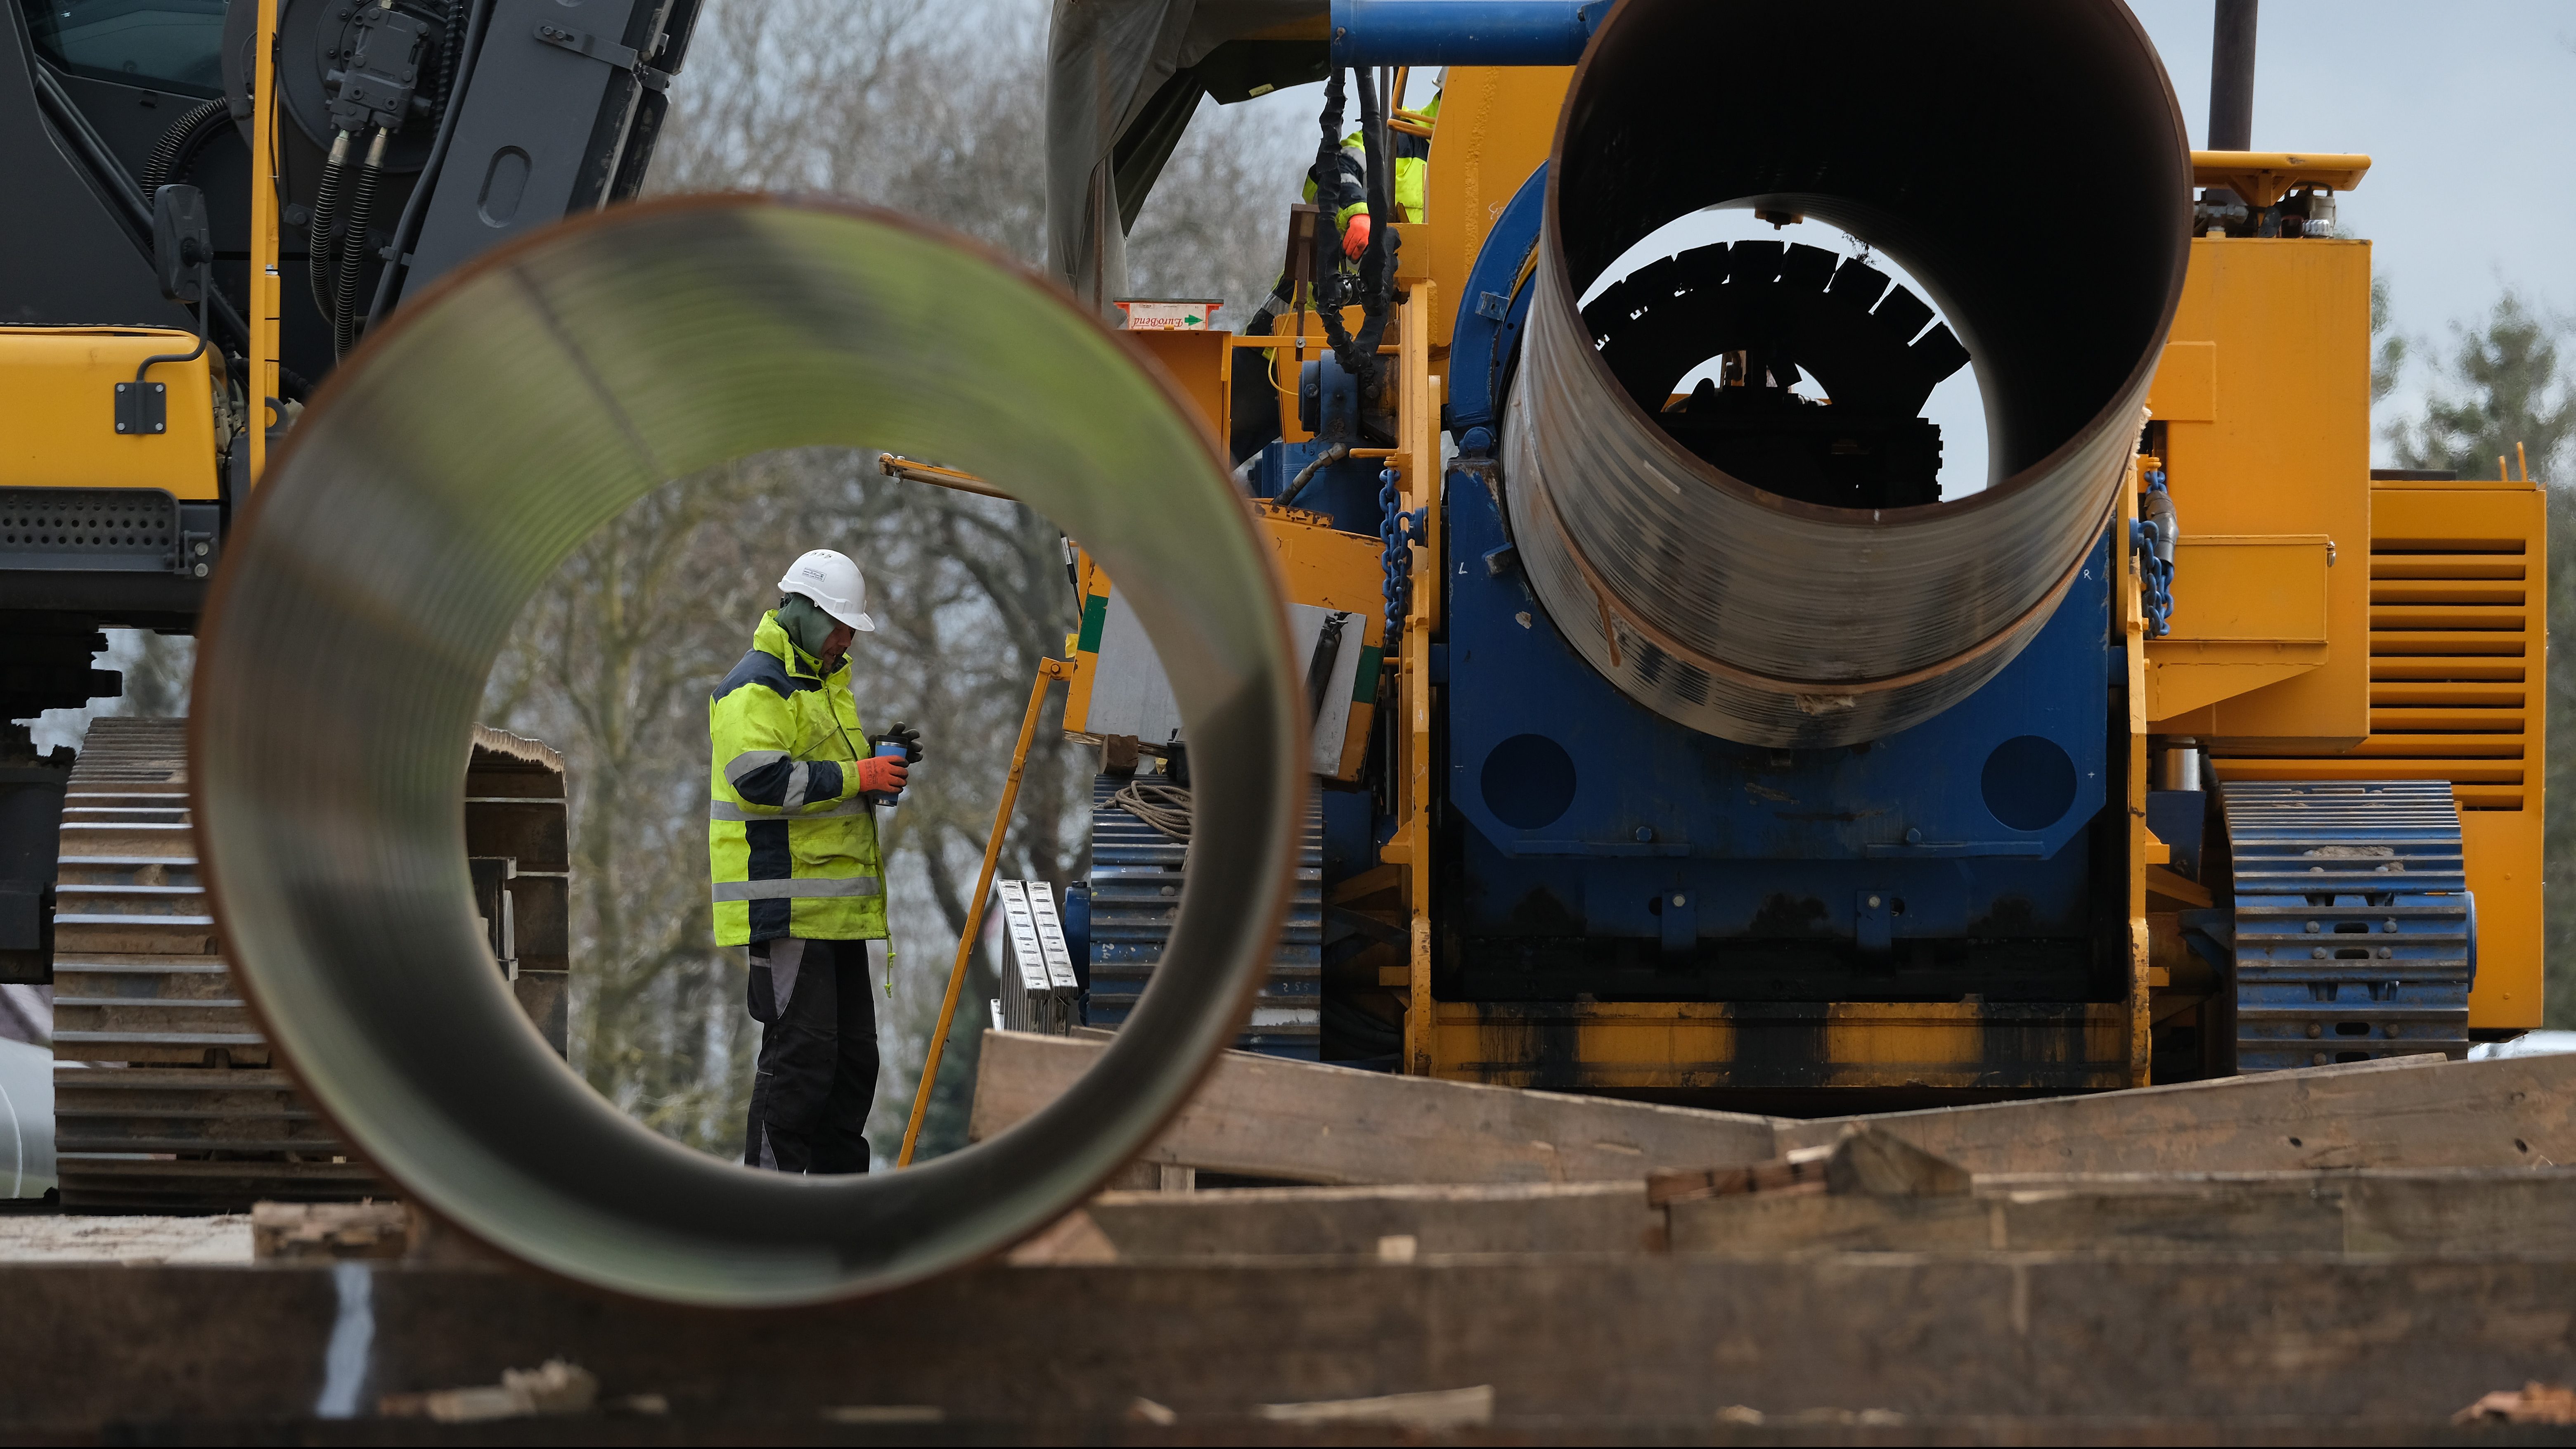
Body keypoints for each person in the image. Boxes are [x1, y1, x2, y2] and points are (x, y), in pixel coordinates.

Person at [708, 548, 923, 1174]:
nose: (845, 638)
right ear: (800, 611)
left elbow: (828, 775)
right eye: (838, 624)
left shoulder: (824, 684)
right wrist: (860, 773)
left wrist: (880, 771)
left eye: (851, 627)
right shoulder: (755, 684)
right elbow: (761, 778)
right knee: (800, 1062)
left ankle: (838, 1212)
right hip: (788, 905)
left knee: (852, 1064)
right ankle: (767, 1219)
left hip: (834, 912)